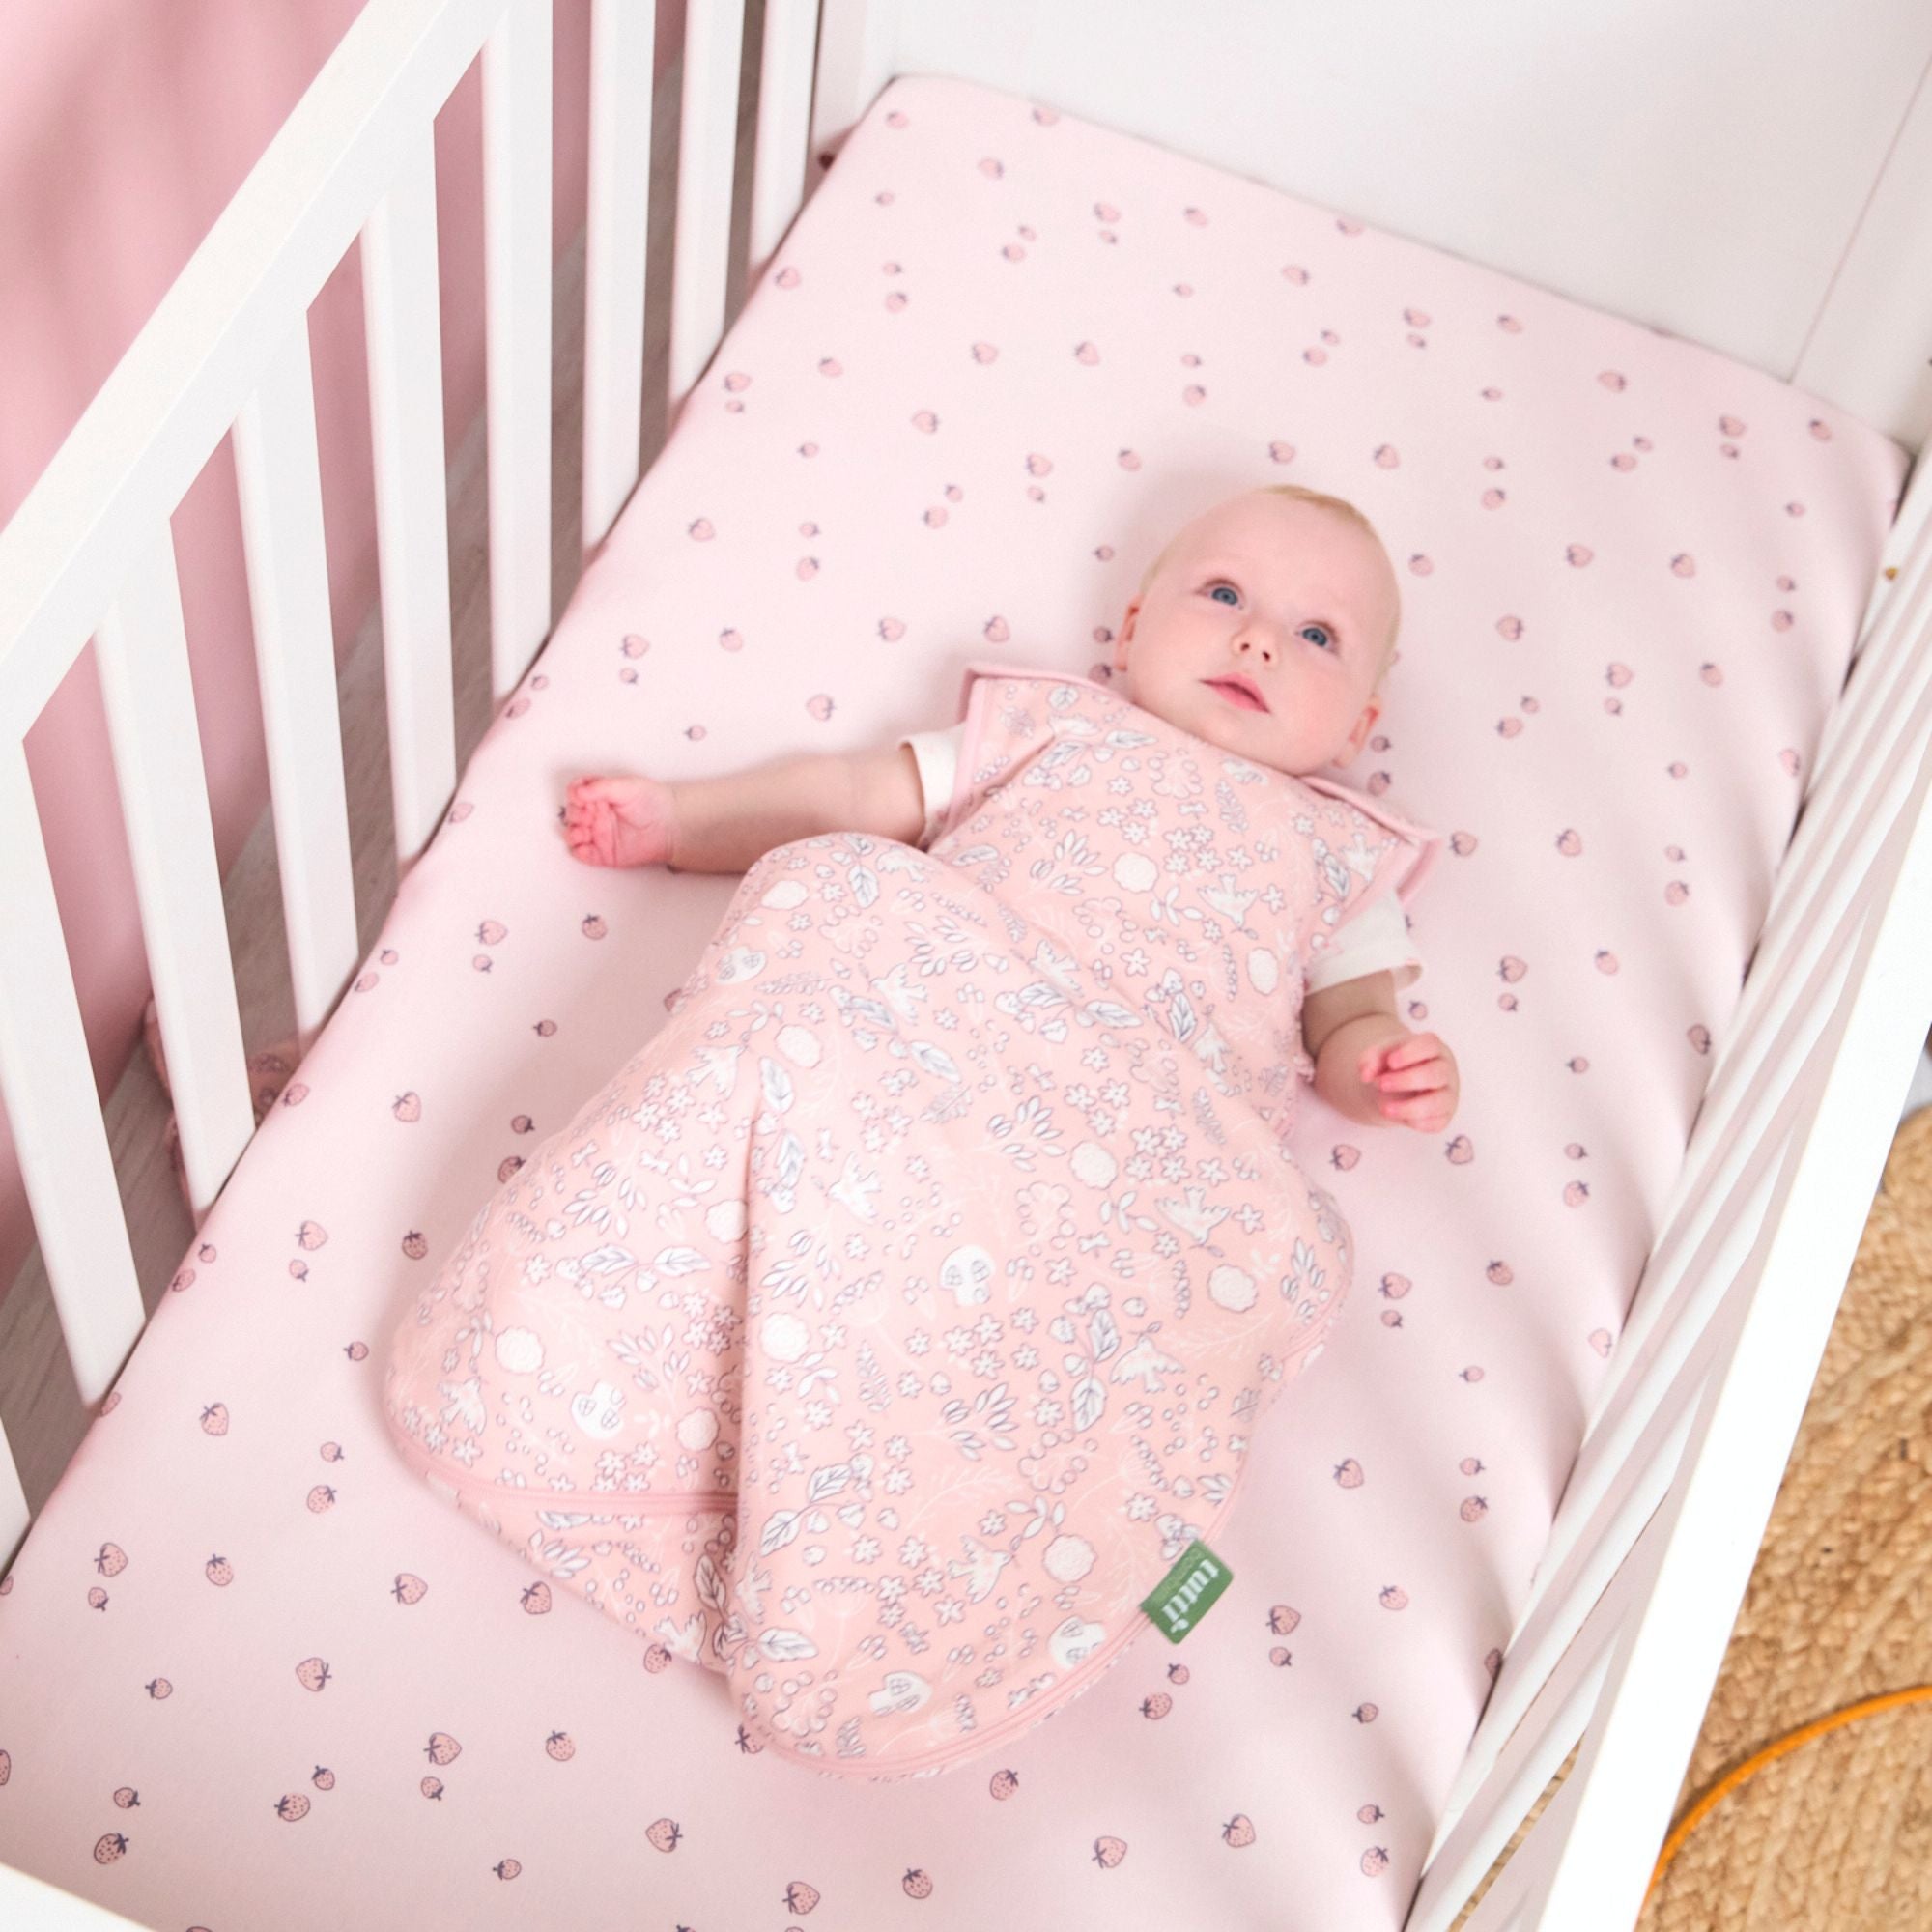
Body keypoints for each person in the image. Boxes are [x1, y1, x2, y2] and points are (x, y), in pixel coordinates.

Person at [560, 482, 1460, 1133]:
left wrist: (1379, 1070)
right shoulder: (1052, 727)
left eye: (1316, 636)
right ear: (1135, 624)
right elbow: (852, 796)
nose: (1258, 639)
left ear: (1358, 728)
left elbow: (1348, 1020)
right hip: (933, 1036)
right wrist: (685, 821)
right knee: (837, 885)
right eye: (1225, 594)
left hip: (1142, 1130)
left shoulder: (1336, 852)